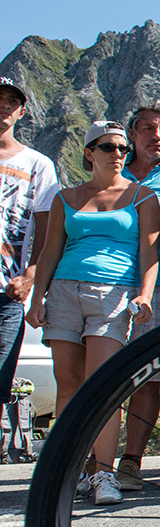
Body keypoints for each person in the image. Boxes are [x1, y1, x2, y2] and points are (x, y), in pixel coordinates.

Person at [27, 121, 159, 505]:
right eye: (107, 147)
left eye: (122, 148)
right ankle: (69, 470)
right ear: (89, 153)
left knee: (103, 386)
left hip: (113, 293)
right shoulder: (65, 198)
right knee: (67, 384)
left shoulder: (142, 197)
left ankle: (104, 474)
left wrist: (145, 295)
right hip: (65, 291)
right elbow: (49, 251)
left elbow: (148, 253)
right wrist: (38, 299)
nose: (117, 154)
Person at [114, 102, 160, 492]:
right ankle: (96, 459)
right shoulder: (113, 172)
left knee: (145, 378)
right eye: (148, 129)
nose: (156, 136)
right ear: (132, 136)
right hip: (110, 284)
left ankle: (131, 461)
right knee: (105, 377)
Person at [0, 77, 57, 405]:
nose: (4, 106)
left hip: (8, 293)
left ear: (21, 111)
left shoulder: (38, 165)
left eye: (12, 101)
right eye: (0, 99)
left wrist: (30, 275)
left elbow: (48, 229)